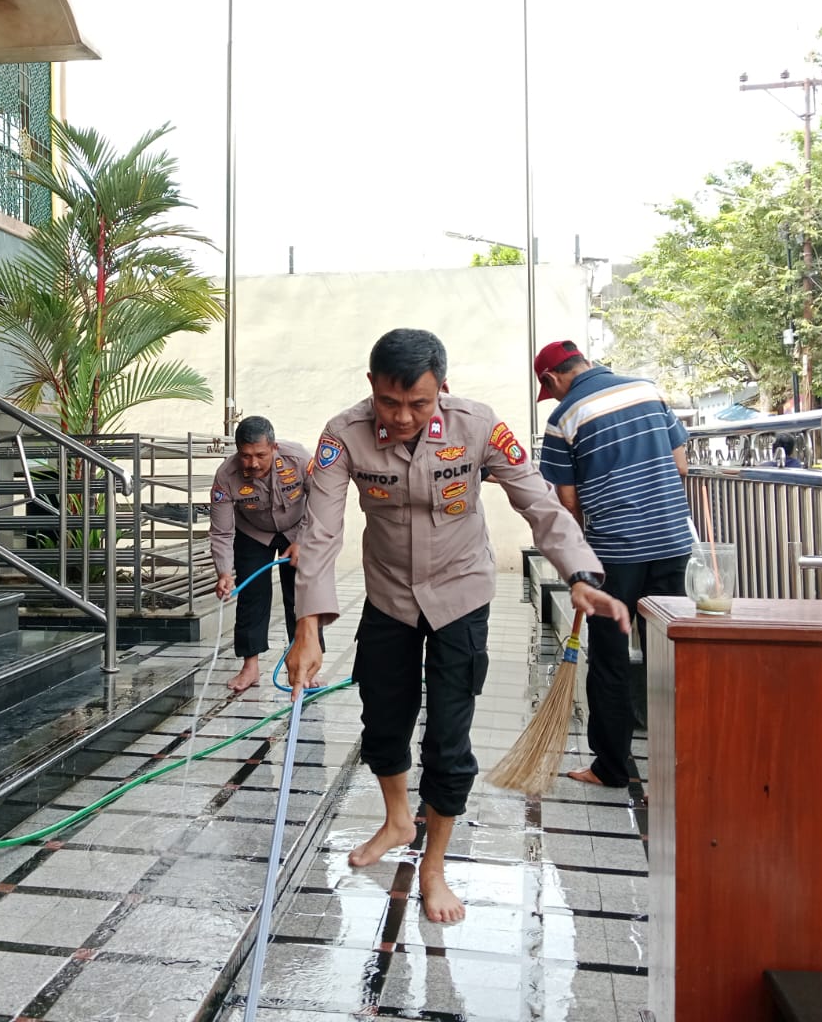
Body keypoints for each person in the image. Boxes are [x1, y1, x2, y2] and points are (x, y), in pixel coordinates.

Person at [284, 329, 627, 924]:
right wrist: (307, 628)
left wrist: (578, 572)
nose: (403, 416)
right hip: (389, 596)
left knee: (448, 739)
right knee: (382, 722)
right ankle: (397, 820)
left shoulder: (479, 426)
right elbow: (321, 530)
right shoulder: (343, 434)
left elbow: (538, 502)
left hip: (460, 595)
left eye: (418, 403)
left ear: (442, 387)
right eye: (390, 402)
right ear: (371, 387)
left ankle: (435, 865)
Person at [533, 339, 693, 791]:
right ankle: (686, 762)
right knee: (670, 655)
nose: (553, 396)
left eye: (550, 389)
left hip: (614, 553)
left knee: (610, 658)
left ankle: (611, 767)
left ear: (552, 378)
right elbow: (681, 466)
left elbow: (567, 500)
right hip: (672, 541)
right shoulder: (648, 390)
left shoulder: (563, 418)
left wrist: (580, 561)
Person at [209, 415, 312, 693]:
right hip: (253, 533)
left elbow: (322, 500)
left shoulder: (298, 459)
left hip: (298, 529)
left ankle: (304, 666)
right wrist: (224, 572)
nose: (253, 463)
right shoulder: (226, 476)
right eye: (245, 456)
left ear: (274, 447)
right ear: (237, 452)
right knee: (252, 595)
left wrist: (304, 540)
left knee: (302, 596)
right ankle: (250, 667)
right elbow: (221, 532)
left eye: (260, 455)